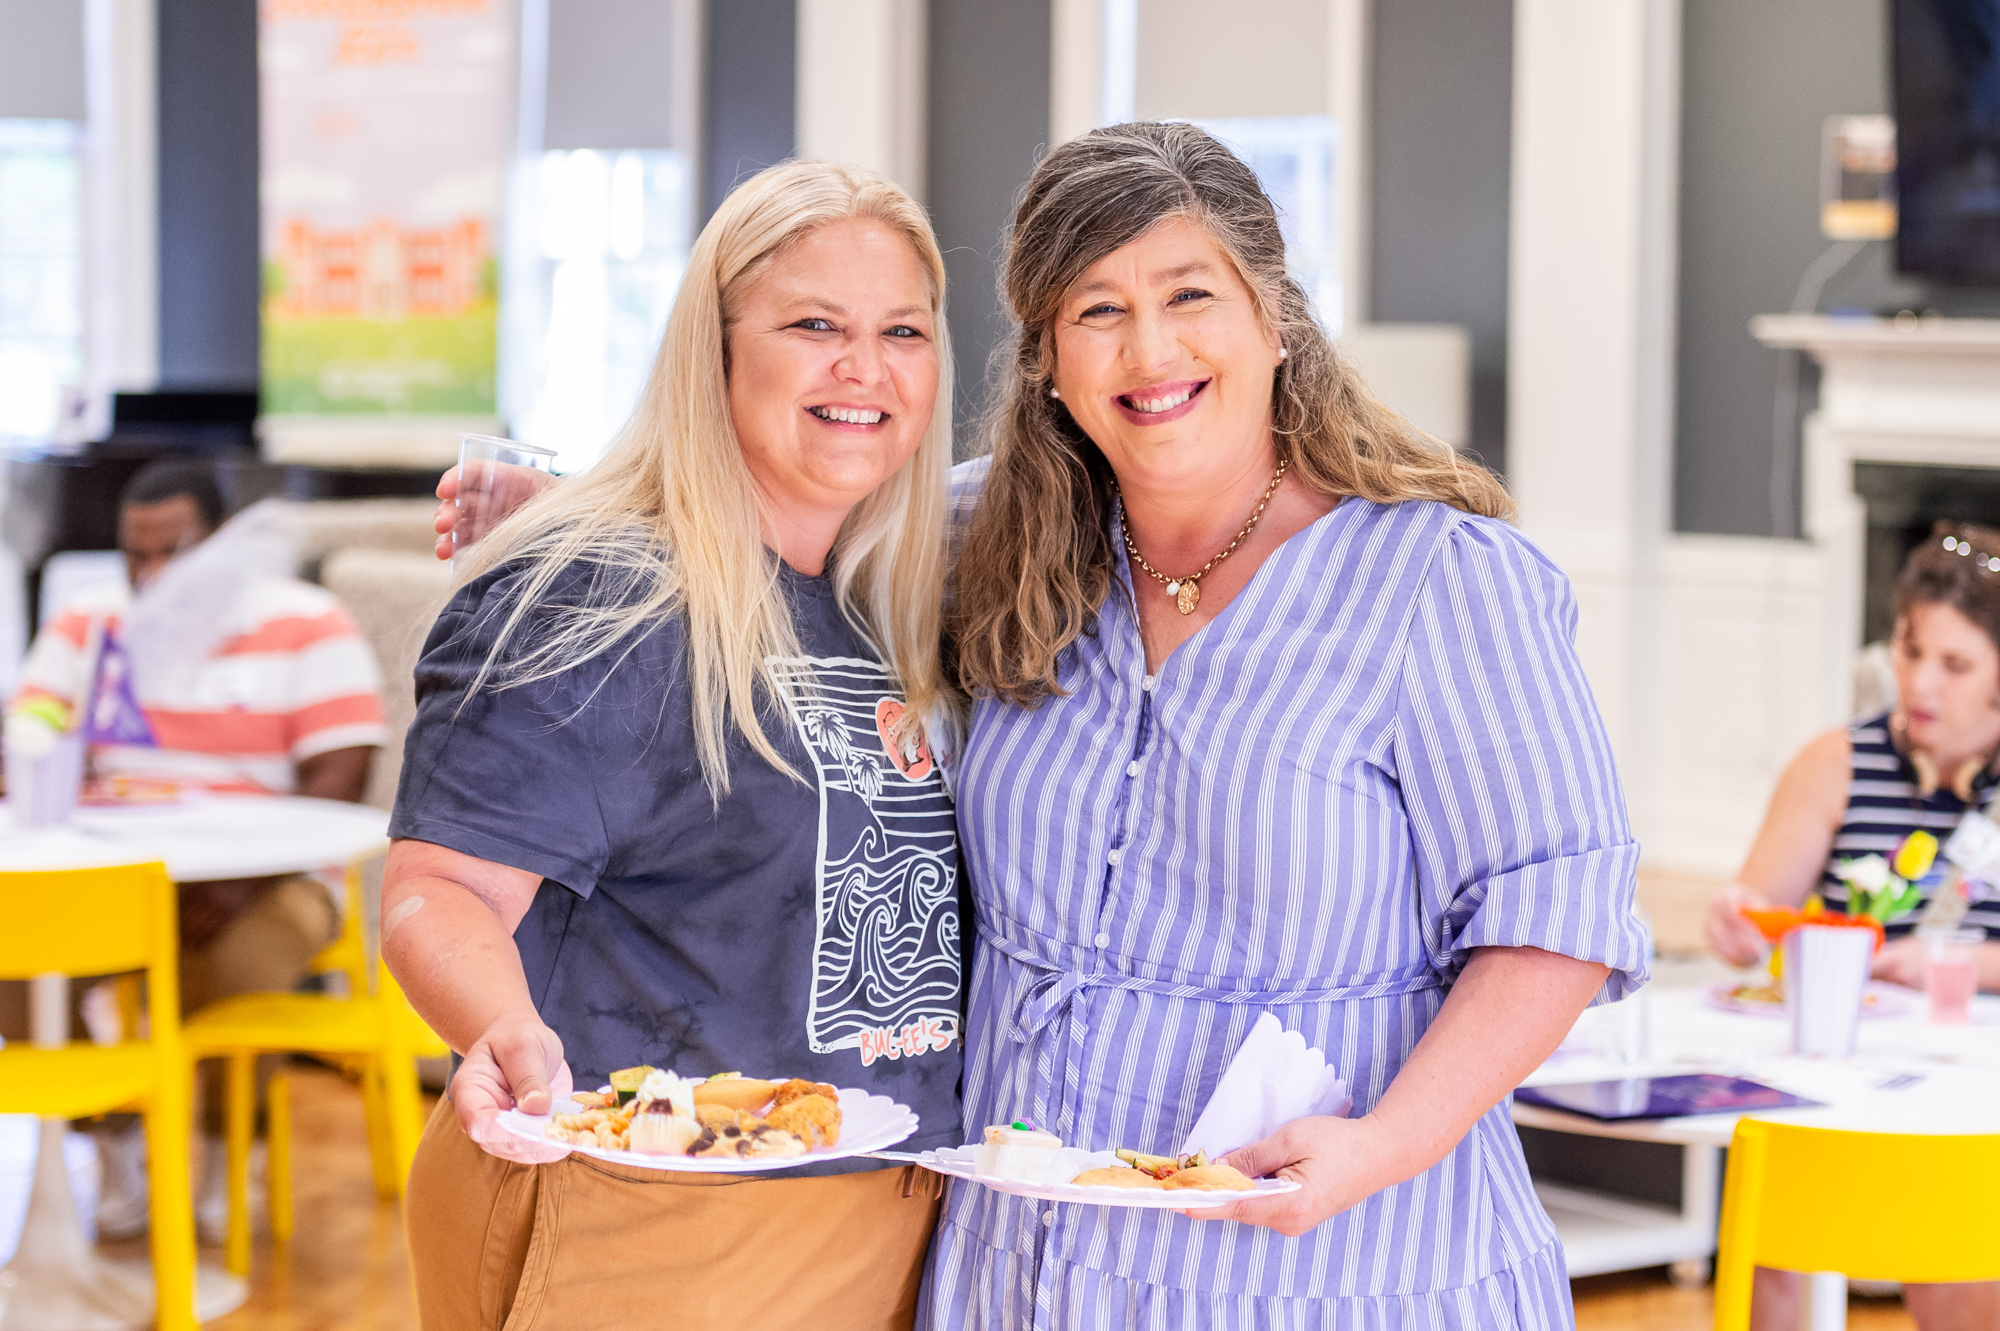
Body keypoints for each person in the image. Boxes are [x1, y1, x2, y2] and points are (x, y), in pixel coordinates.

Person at [922, 121, 1649, 1326]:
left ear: (1273, 317)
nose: (1148, 348)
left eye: (1187, 293)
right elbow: (771, 520)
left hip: (1330, 1264)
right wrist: (570, 518)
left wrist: (1381, 1143)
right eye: (1096, 309)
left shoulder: (1440, 580)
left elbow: (1555, 913)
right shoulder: (980, 543)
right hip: (1026, 1265)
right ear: (1047, 356)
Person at [381, 161, 964, 1330]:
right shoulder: (592, 593)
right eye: (814, 324)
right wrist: (497, 1024)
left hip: (881, 1211)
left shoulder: (882, 595)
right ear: (715, 347)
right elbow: (437, 887)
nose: (865, 365)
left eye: (902, 329)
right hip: (648, 1215)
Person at [6, 459, 388, 1241]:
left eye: (171, 549)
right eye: (133, 553)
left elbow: (341, 775)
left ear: (222, 539)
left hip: (269, 876)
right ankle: (115, 1147)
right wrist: (35, 736)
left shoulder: (307, 621)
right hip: (110, 868)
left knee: (235, 966)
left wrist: (245, 883)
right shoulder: (89, 620)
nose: (150, 572)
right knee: (18, 955)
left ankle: (221, 1161)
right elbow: (29, 731)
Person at [1706, 521, 2000, 1331]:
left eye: (1955, 663)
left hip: (1975, 1083)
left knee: (1956, 1264)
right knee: (1777, 1238)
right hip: (1840, 1074)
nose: (1920, 683)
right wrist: (1740, 929)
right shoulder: (1835, 764)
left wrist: (1952, 963)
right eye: (1909, 651)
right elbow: (1760, 909)